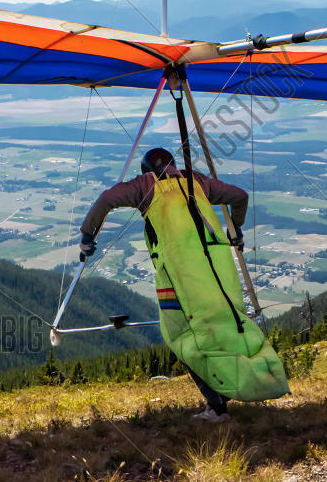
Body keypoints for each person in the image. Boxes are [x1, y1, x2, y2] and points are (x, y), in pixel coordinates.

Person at [80, 146, 253, 421]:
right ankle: (232, 386)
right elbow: (240, 196)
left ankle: (217, 406)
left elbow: (106, 199)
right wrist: (236, 228)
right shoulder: (196, 181)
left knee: (183, 336)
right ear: (172, 165)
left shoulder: (145, 185)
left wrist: (87, 236)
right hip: (216, 268)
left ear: (146, 169)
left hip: (180, 272)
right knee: (220, 324)